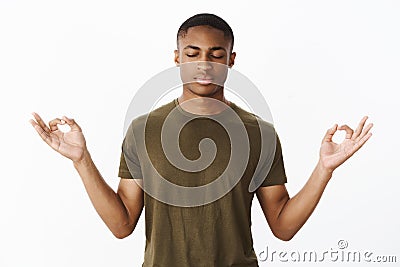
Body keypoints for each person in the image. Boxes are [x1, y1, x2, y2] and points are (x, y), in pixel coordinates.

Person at [30, 13, 373, 267]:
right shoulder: (143, 129)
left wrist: (324, 169)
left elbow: (283, 226)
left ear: (231, 60)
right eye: (192, 53)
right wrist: (81, 160)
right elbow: (122, 224)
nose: (204, 64)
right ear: (177, 57)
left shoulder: (259, 133)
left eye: (216, 54)